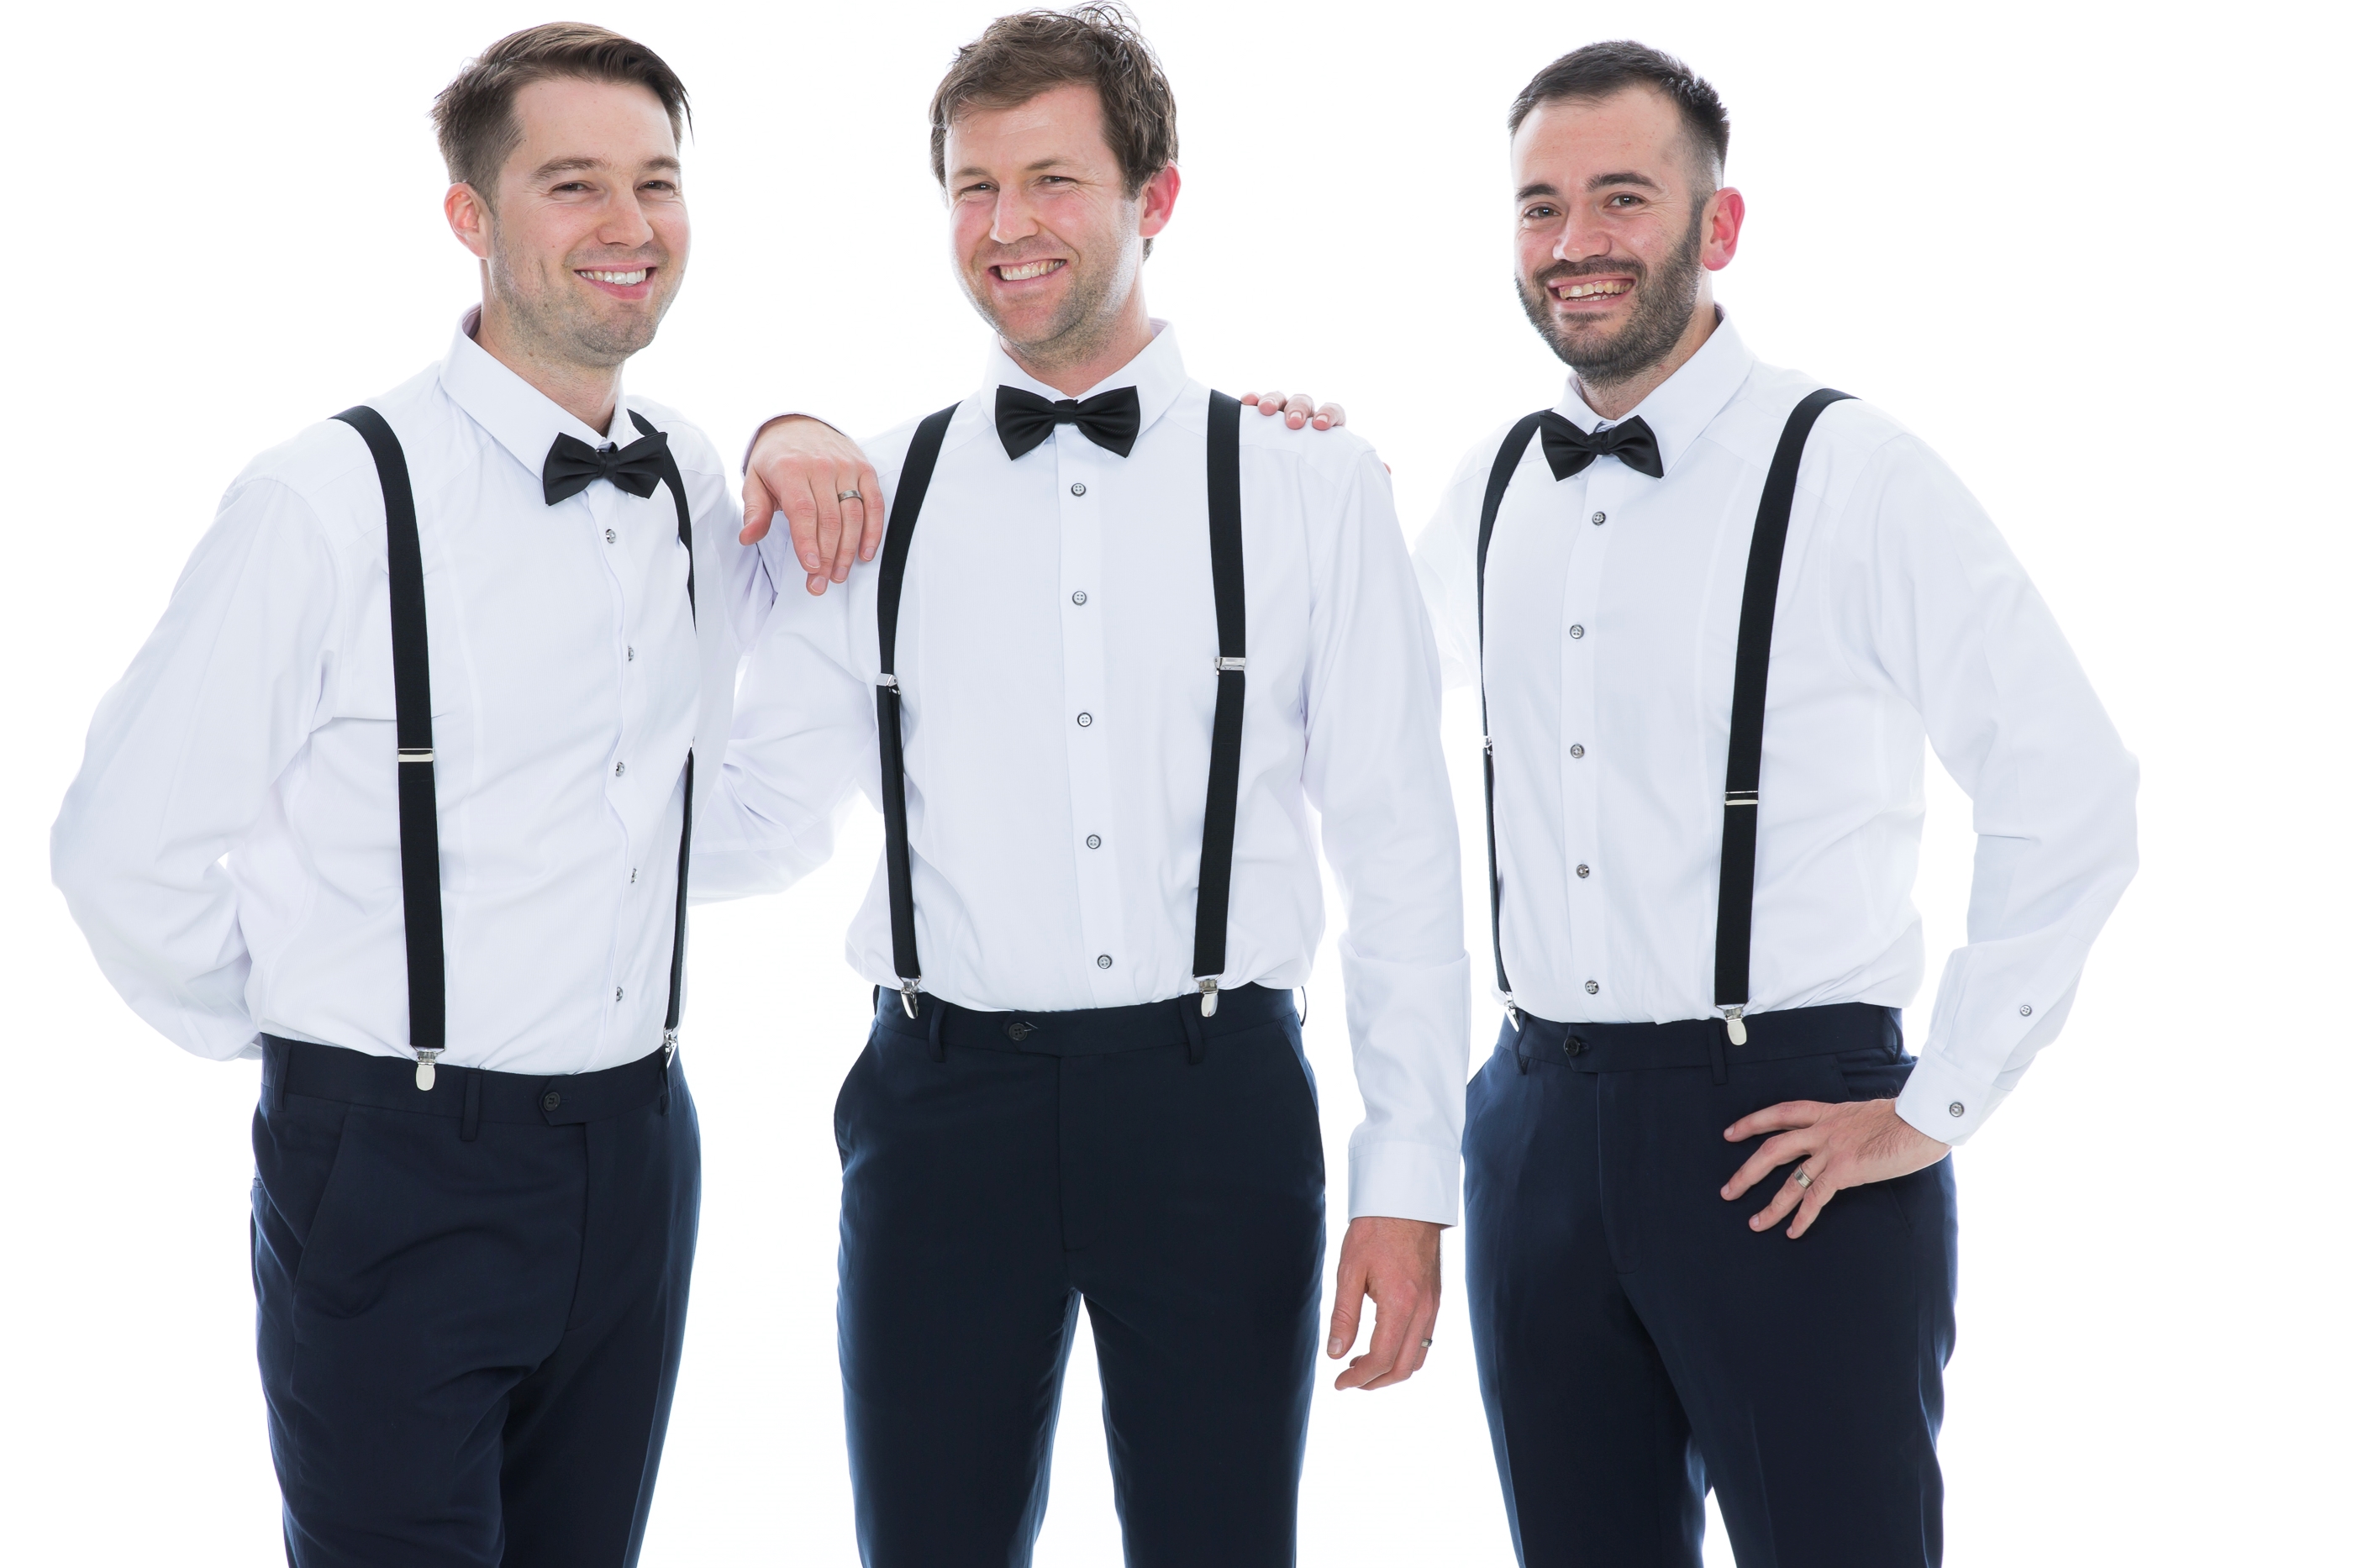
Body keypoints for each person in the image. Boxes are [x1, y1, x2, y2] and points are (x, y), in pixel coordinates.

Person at [45, 24, 874, 1565]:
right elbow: (118, 849)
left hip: (639, 1150)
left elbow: (716, 814)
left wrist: (799, 429)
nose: (628, 223)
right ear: (470, 216)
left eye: (656, 182)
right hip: (391, 1162)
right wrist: (314, 1040)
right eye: (573, 183)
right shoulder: (324, 499)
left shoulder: (687, 477)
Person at [705, 8, 1468, 1565]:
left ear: (1153, 197)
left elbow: (1399, 847)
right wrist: (748, 465)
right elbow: (757, 824)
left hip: (1216, 1105)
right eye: (973, 188)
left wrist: (1406, 1177)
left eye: (1052, 179)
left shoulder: (1309, 484)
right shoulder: (871, 493)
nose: (1008, 226)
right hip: (937, 1111)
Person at [1412, 40, 2140, 1568]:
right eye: (1541, 207)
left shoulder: (1856, 471)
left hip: (1786, 1130)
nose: (1576, 241)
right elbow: (1322, 733)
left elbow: (2070, 783)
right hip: (1535, 1126)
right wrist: (1271, 463)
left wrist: (1938, 1099)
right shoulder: (1487, 484)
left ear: (1717, 225)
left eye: (1623, 198)